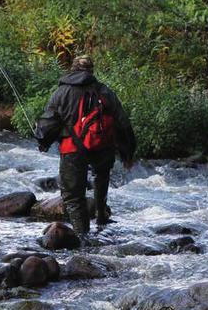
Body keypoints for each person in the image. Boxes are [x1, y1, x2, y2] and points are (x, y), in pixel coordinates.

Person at [35, 55, 137, 234]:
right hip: (103, 146)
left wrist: (42, 140)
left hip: (72, 149)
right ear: (91, 71)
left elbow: (48, 122)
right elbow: (122, 123)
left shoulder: (61, 93)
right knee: (101, 176)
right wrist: (127, 153)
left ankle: (83, 237)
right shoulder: (104, 91)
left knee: (73, 197)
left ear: (72, 69)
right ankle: (101, 215)